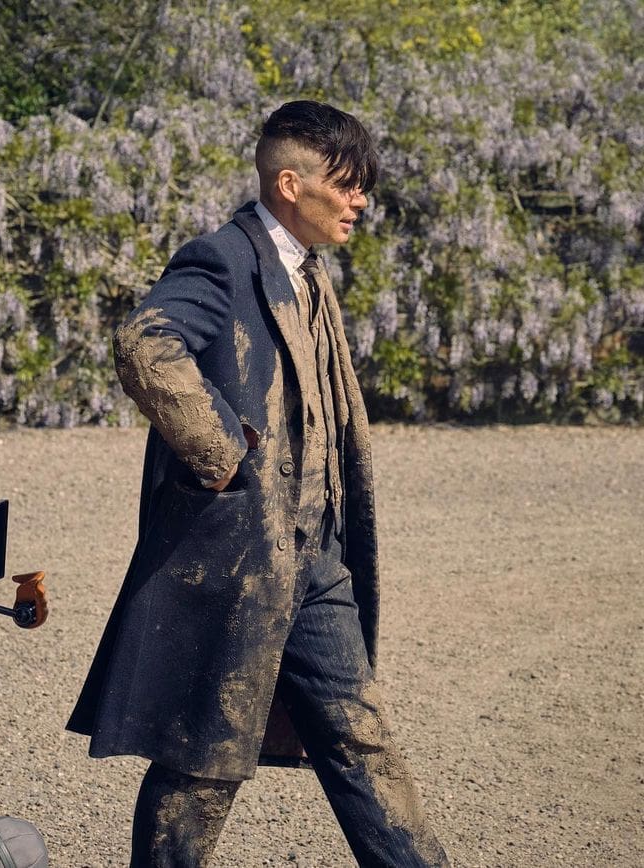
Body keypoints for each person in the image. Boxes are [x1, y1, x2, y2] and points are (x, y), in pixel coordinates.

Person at [67, 101, 449, 867]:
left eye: (362, 187)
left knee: (361, 737)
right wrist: (221, 457)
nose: (360, 201)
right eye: (346, 185)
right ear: (287, 184)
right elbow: (145, 345)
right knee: (200, 768)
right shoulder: (221, 259)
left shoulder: (308, 271)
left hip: (315, 561)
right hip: (239, 564)